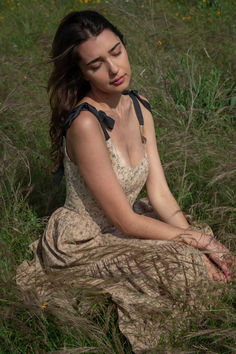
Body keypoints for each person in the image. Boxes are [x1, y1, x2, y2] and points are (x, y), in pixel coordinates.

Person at [17, 10, 235, 353]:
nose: (114, 69)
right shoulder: (86, 124)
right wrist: (195, 243)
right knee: (188, 262)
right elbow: (122, 219)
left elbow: (160, 193)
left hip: (129, 223)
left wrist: (200, 240)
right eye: (96, 64)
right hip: (87, 238)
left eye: (116, 52)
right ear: (82, 73)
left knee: (206, 247)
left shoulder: (139, 106)